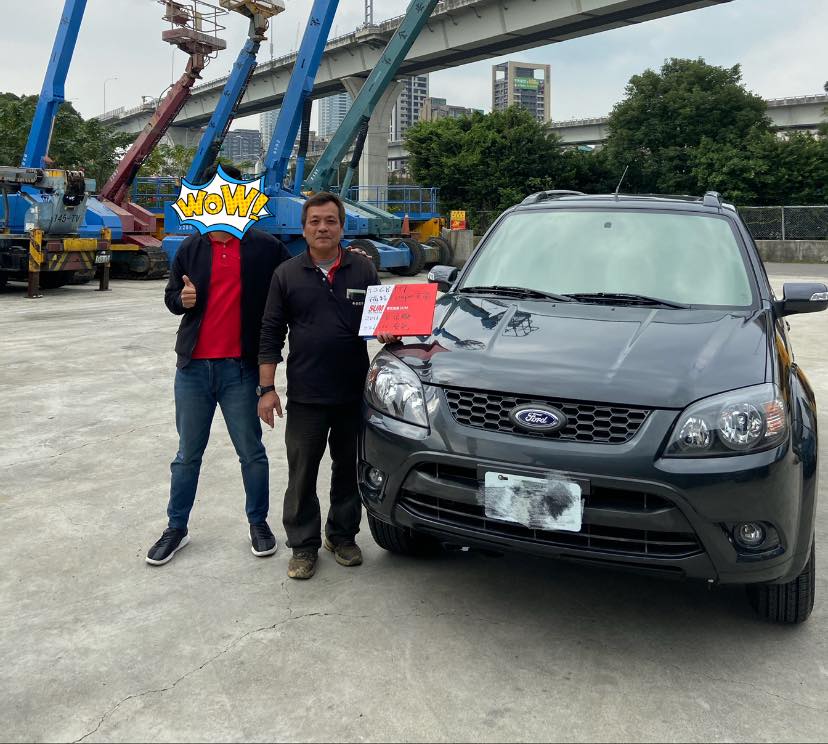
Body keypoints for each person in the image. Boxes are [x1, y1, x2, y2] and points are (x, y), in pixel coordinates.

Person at [146, 164, 292, 566]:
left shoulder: (264, 247)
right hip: (193, 370)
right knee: (187, 455)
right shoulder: (191, 248)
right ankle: (176, 528)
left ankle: (258, 522)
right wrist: (181, 301)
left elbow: (296, 279)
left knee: (252, 452)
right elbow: (172, 296)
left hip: (240, 371)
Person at [258, 192, 398, 580]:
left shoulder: (362, 269)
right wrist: (266, 389)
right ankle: (303, 546)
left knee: (349, 469)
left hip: (353, 392)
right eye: (315, 221)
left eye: (330, 221)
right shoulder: (286, 274)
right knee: (302, 474)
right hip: (307, 395)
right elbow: (270, 333)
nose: (323, 227)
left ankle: (342, 536)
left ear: (342, 227)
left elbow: (382, 320)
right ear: (303, 229)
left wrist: (388, 330)